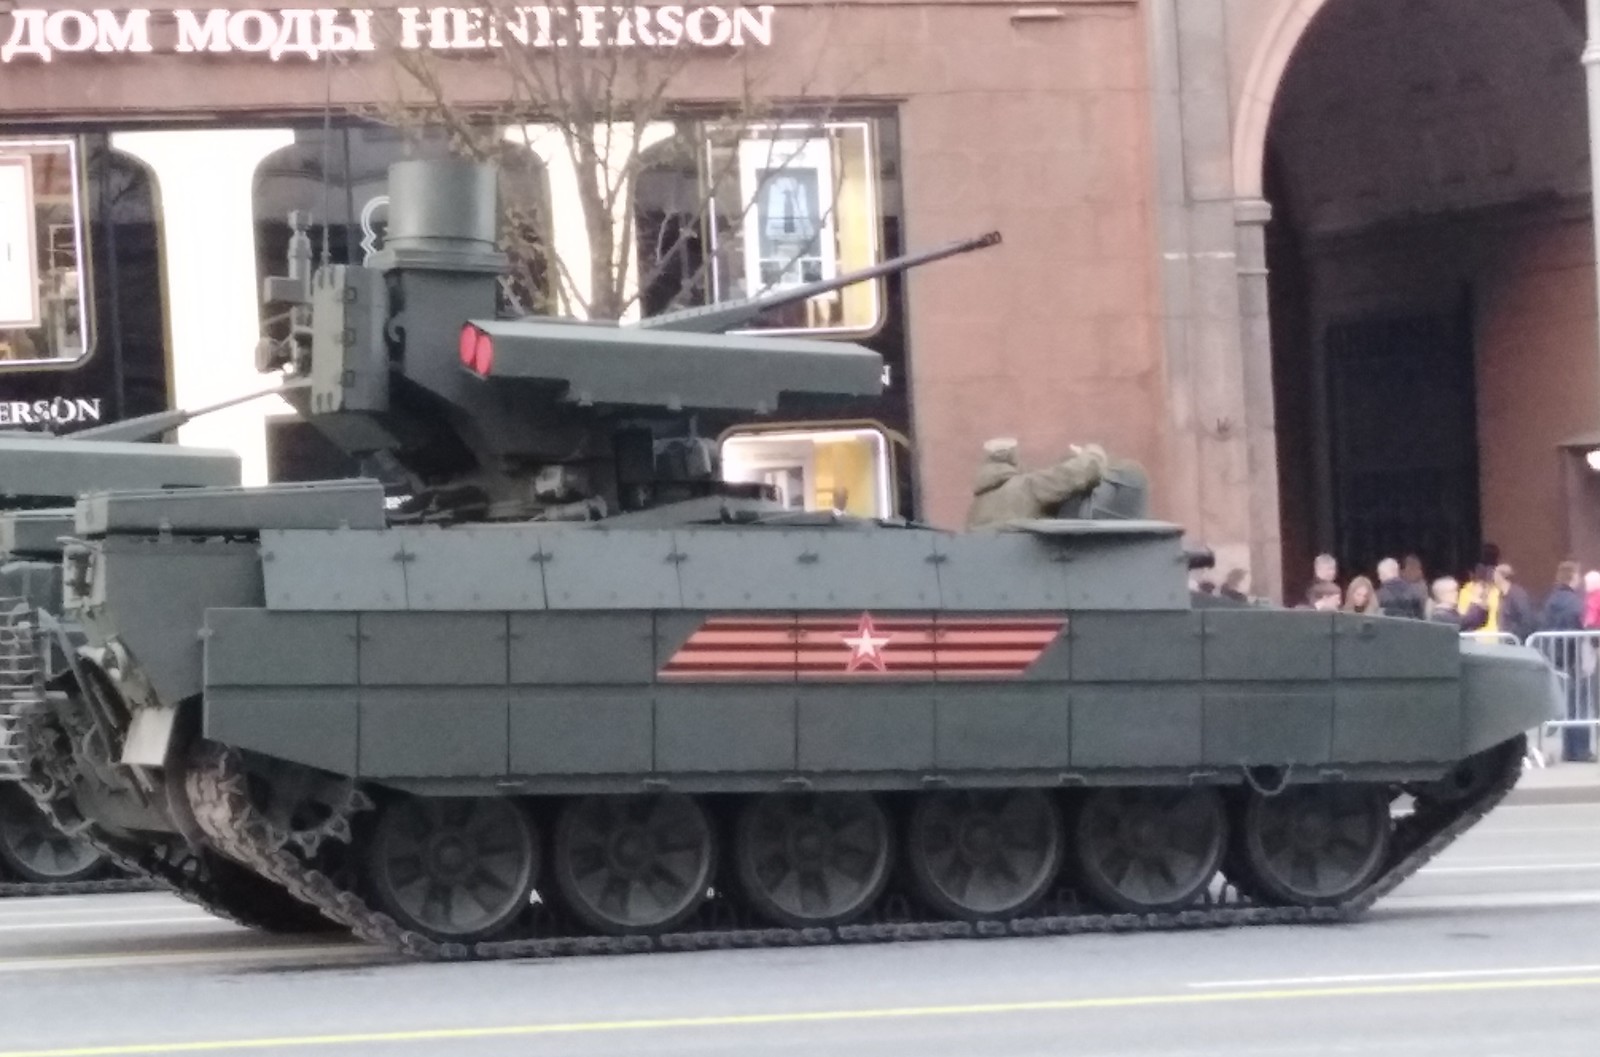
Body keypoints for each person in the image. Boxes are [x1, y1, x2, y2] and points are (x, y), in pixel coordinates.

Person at [965, 437, 1108, 530]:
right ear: (1013, 459)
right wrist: (1093, 454)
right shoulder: (1026, 487)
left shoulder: (976, 507)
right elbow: (1070, 475)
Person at [1540, 561, 1593, 763]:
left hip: (1557, 657)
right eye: (1577, 575)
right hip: (1572, 657)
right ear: (1572, 576)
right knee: (1579, 705)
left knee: (1570, 705)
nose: (1579, 579)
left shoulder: (1553, 598)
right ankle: (1580, 750)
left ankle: (1569, 750)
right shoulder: (1573, 601)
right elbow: (1580, 626)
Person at [1493, 564, 1536, 643]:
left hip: (1516, 641)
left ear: (1500, 577)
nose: (1494, 579)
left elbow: (1527, 619)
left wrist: (1515, 635)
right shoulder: (1502, 595)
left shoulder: (1518, 595)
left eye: (1495, 575)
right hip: (1506, 642)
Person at [1458, 564, 1501, 633]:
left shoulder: (1496, 592)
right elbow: (1463, 616)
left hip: (1491, 634)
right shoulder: (1466, 592)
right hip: (1473, 635)